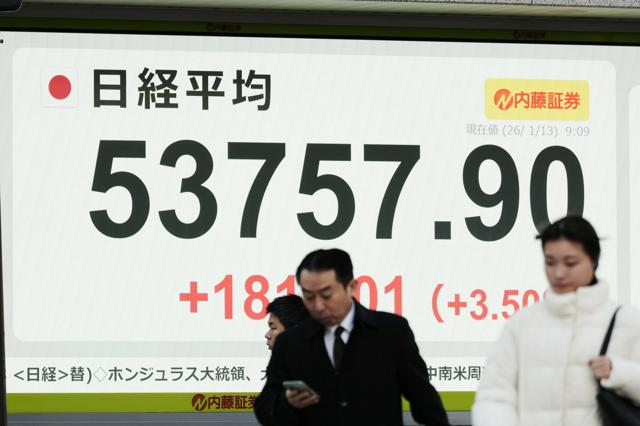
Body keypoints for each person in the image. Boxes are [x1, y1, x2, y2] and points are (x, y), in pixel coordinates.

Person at [472, 215, 640, 426]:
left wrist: (619, 372)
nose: (558, 273)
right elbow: (493, 397)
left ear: (594, 260)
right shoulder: (521, 324)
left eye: (571, 263)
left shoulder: (627, 321)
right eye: (550, 262)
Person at [254, 248, 449, 426]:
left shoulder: (391, 332)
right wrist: (287, 402)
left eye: (326, 295)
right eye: (309, 296)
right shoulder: (290, 342)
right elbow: (265, 407)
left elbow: (425, 401)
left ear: (351, 287)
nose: (318, 306)